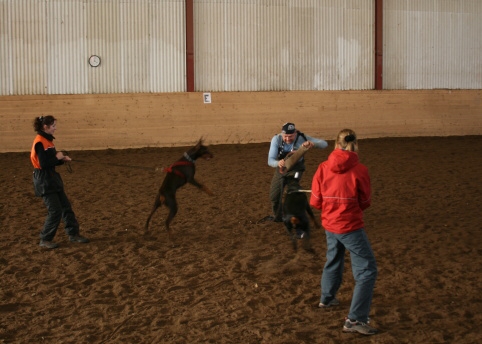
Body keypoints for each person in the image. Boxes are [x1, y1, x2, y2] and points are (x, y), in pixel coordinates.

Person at [310, 128, 378, 335]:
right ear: (355, 144)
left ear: (336, 144)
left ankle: (327, 298)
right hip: (350, 226)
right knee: (367, 270)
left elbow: (315, 201)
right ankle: (356, 319)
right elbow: (365, 201)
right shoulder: (360, 170)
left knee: (334, 258)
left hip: (330, 224)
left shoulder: (322, 168)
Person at [30, 115, 89, 249]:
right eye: (53, 126)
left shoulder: (47, 141)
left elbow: (51, 161)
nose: (55, 128)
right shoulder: (40, 142)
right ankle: (45, 239)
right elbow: (44, 163)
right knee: (55, 211)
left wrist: (61, 160)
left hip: (51, 178)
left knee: (66, 207)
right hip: (44, 180)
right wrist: (58, 157)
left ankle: (73, 234)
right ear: (46, 127)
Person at [266, 122, 328, 222]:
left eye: (290, 136)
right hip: (281, 168)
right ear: (282, 134)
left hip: (297, 169)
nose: (287, 139)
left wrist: (312, 143)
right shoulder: (276, 139)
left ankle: (296, 216)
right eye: (285, 136)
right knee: (274, 196)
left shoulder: (302, 137)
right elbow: (270, 161)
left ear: (295, 133)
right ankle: (278, 216)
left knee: (293, 189)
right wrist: (278, 163)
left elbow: (324, 144)